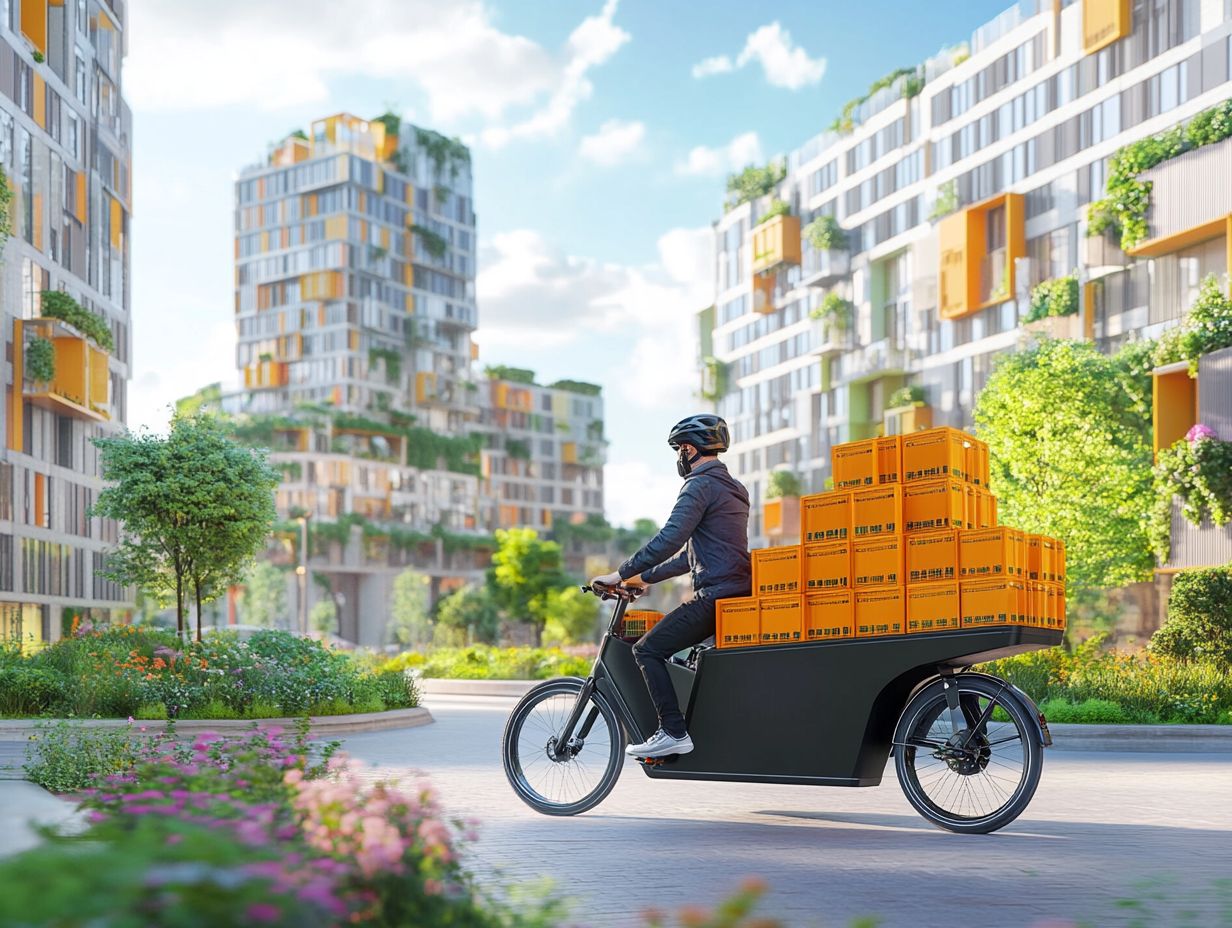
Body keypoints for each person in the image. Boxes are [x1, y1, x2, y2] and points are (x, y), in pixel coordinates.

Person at [590, 414, 751, 759]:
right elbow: (689, 556)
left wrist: (619, 574)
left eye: (679, 449)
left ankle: (673, 732)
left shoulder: (699, 485)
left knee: (647, 650)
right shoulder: (734, 489)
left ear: (689, 449)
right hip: (738, 591)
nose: (679, 457)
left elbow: (669, 540)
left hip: (715, 594)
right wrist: (642, 579)